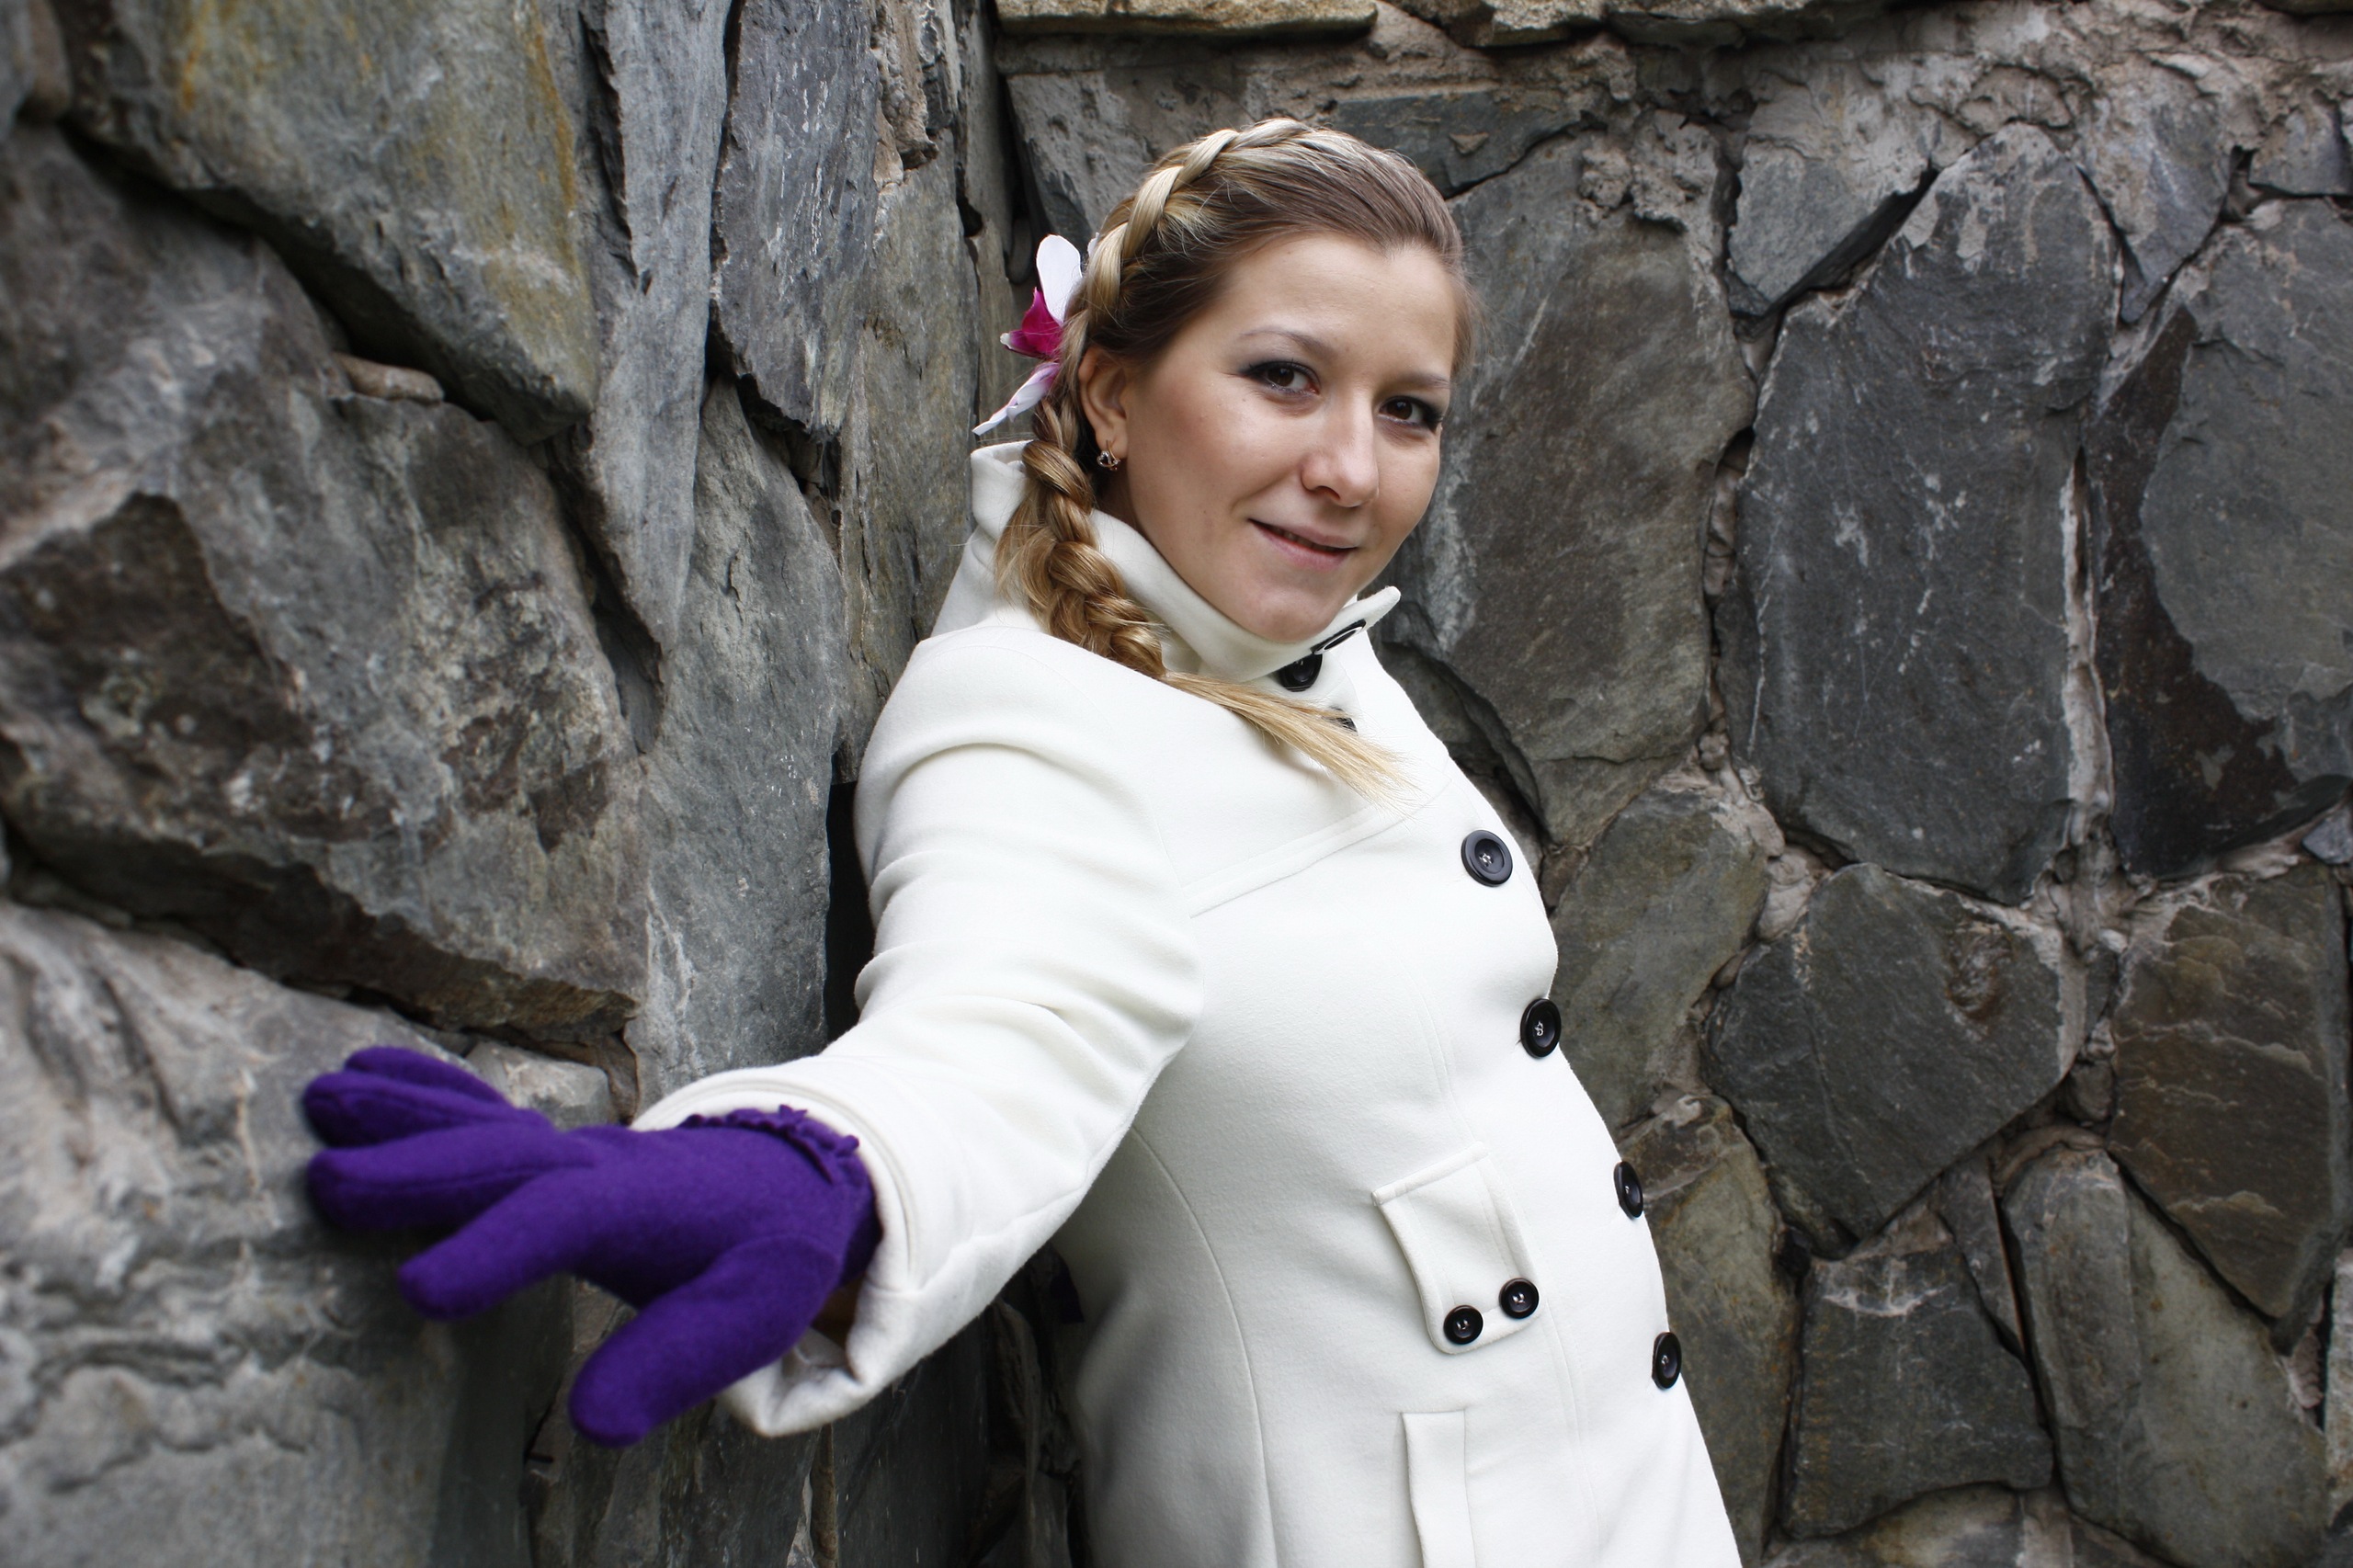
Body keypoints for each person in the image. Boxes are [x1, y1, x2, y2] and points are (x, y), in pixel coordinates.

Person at [301, 118, 1740, 1566]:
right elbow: (998, 1037)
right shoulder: (1024, 711)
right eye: (1284, 377)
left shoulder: (1293, 652)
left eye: (1409, 409)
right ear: (1109, 391)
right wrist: (814, 1178)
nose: (1353, 470)